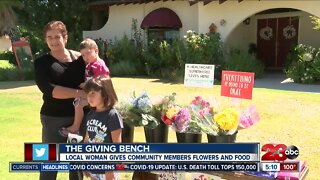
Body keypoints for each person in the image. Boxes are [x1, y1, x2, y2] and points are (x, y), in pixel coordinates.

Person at [34, 20, 86, 180]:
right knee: (50, 164)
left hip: (80, 117)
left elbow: (98, 78)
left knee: (76, 166)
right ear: (45, 40)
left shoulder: (80, 59)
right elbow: (51, 90)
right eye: (49, 37)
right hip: (53, 118)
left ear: (65, 37)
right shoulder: (41, 63)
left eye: (57, 36)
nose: (54, 41)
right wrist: (81, 94)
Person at [59, 38, 110, 136]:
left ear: (96, 50)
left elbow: (103, 83)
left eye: (88, 53)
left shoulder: (100, 66)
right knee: (78, 102)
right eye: (82, 55)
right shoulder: (90, 65)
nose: (85, 57)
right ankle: (79, 130)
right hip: (90, 93)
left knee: (79, 104)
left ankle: (75, 128)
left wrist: (87, 86)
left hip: (99, 95)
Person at [83, 75, 123, 180]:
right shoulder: (90, 114)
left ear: (105, 94)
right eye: (87, 93)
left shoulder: (112, 115)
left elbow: (117, 146)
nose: (89, 97)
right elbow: (86, 140)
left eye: (93, 93)